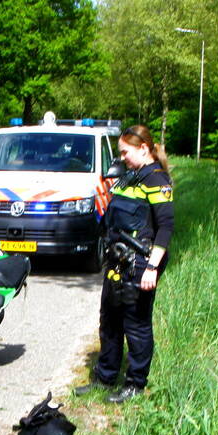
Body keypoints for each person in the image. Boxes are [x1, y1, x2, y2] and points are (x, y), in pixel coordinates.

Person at [77, 124, 174, 403]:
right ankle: (105, 378)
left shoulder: (157, 180)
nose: (121, 158)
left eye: (125, 152)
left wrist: (153, 267)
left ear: (143, 148)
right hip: (118, 262)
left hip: (141, 264)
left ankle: (135, 384)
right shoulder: (130, 177)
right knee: (109, 321)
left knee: (137, 326)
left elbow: (166, 227)